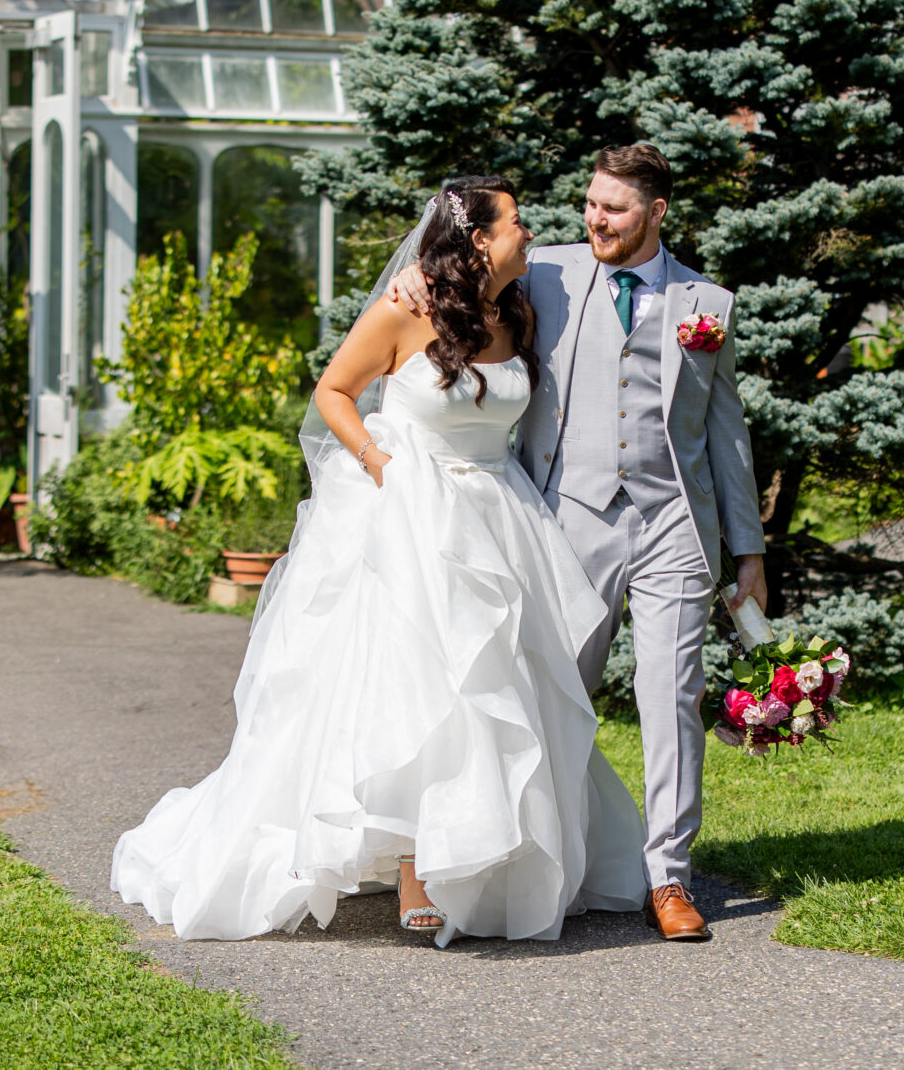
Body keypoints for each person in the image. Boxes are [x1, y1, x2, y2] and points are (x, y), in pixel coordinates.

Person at [110, 174, 646, 946]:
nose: (533, 233)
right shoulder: (407, 305)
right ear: (478, 239)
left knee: (501, 686)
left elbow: (599, 265)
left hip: (500, 511)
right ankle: (413, 859)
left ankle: (490, 850)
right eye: (518, 223)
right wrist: (378, 461)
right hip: (410, 507)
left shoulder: (516, 305)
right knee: (418, 684)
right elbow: (334, 390)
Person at [394, 142, 765, 942]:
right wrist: (411, 283)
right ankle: (545, 860)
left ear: (656, 213)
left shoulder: (708, 304)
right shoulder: (551, 271)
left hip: (673, 523)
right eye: (592, 202)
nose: (595, 217)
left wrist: (749, 555)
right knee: (555, 694)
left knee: (671, 697)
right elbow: (458, 269)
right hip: (573, 516)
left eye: (615, 208)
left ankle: (669, 877)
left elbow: (728, 435)